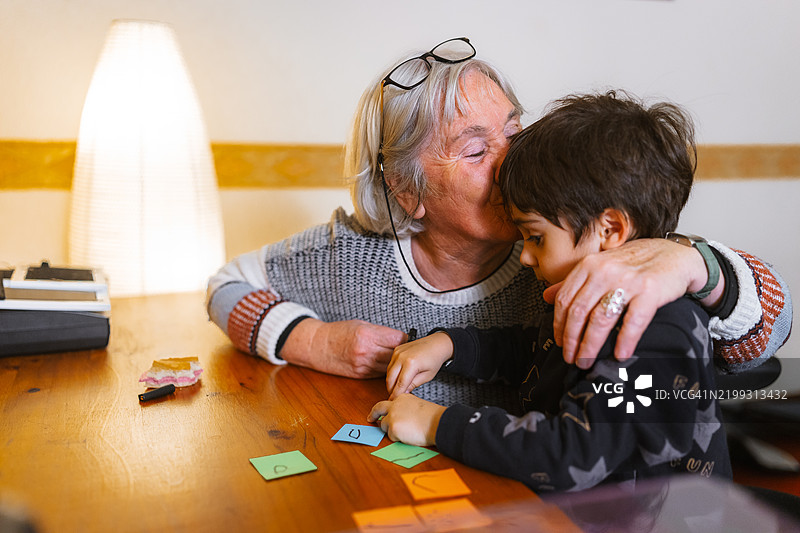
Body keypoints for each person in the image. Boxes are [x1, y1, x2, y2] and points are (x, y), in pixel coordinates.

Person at [206, 38, 791, 407]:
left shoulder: (579, 248)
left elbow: (764, 345)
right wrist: (309, 340)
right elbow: (226, 284)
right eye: (474, 149)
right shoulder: (351, 252)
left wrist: (695, 263)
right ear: (408, 190)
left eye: (513, 131)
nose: (514, 161)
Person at [369, 91, 731, 492]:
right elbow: (537, 355)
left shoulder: (656, 330)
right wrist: (452, 345)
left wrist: (439, 424)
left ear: (610, 230)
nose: (524, 256)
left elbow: (576, 452)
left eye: (536, 237)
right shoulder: (587, 297)